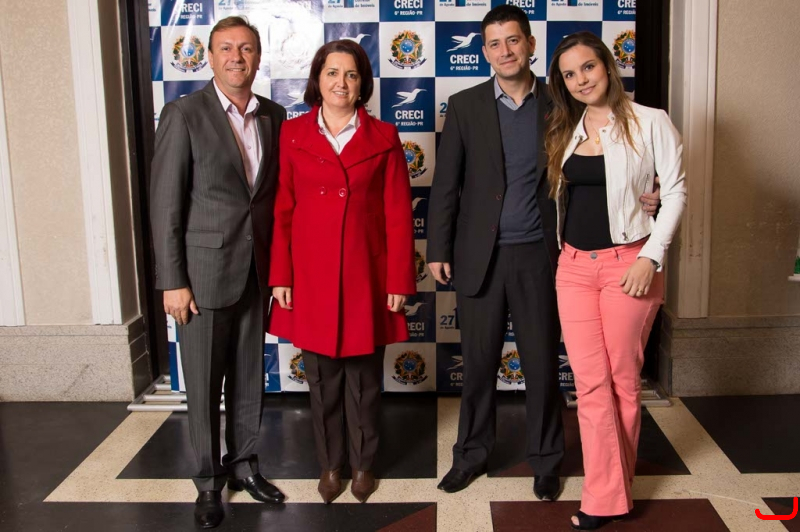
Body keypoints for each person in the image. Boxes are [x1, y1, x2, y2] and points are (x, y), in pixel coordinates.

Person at [428, 5, 661, 500]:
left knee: (540, 366)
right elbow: (446, 183)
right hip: (479, 257)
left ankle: (547, 460)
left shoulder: (563, 102)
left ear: (531, 45)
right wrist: (437, 248)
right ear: (484, 52)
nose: (505, 51)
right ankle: (470, 455)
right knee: (478, 366)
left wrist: (651, 189)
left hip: (543, 256)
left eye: (513, 40)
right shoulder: (465, 105)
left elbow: (611, 156)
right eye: (494, 43)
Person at [149, 16, 287, 529]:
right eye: (226, 48)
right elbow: (166, 205)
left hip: (255, 270)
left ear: (258, 57)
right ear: (209, 57)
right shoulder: (184, 114)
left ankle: (245, 465)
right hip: (202, 275)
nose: (236, 57)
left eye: (246, 48)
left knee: (250, 377)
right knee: (205, 385)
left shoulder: (273, 115)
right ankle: (208, 481)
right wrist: (172, 280)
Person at [545, 31, 686, 530]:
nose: (581, 79)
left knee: (623, 381)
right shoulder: (566, 127)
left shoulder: (651, 121)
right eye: (569, 74)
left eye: (588, 67)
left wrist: (651, 256)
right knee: (590, 383)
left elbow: (675, 192)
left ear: (607, 65)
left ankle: (608, 492)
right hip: (573, 268)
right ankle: (607, 495)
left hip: (630, 265)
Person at [267, 40, 416, 505]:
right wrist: (281, 275)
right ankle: (331, 464)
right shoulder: (292, 133)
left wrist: (399, 281)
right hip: (310, 276)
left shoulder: (385, 136)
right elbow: (282, 208)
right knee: (321, 381)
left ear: (362, 83)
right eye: (332, 73)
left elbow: (398, 215)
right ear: (318, 78)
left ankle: (364, 464)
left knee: (365, 382)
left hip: (366, 276)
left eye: (351, 74)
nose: (341, 83)